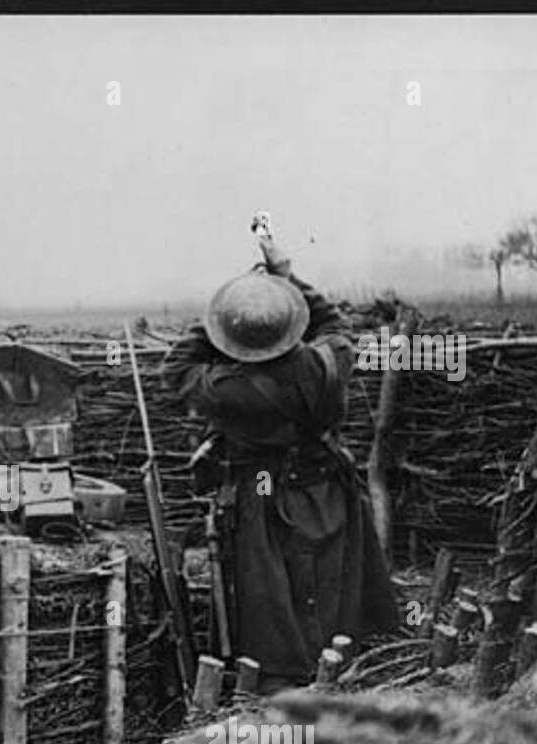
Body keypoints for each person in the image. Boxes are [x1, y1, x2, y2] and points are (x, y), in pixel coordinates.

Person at [165, 230, 399, 689]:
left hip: (264, 493)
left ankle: (279, 684)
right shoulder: (329, 362)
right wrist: (287, 277)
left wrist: (220, 315)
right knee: (335, 586)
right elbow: (331, 321)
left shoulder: (229, 389)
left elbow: (176, 367)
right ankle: (341, 672)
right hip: (328, 489)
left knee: (273, 599)